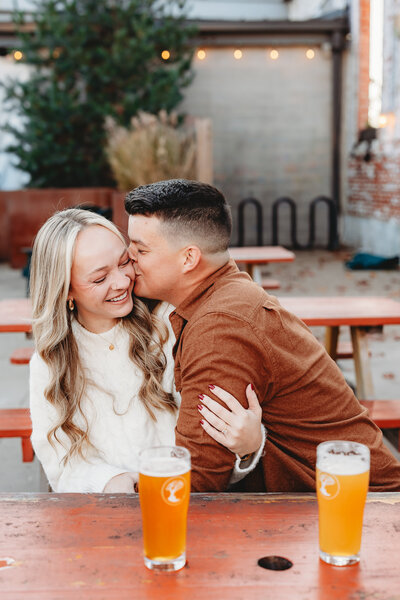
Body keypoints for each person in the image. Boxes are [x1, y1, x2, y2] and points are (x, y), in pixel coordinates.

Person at [124, 178, 400, 492]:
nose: (128, 256)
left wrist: (112, 491)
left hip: (359, 507)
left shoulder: (221, 326)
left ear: (189, 258)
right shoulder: (226, 296)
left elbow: (196, 482)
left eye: (141, 249)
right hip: (321, 496)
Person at [29, 209, 265, 493]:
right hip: (110, 516)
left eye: (123, 262)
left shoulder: (170, 324)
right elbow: (59, 461)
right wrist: (108, 481)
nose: (122, 281)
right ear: (65, 290)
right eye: (99, 278)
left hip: (194, 503)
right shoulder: (50, 362)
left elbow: (215, 443)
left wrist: (249, 447)